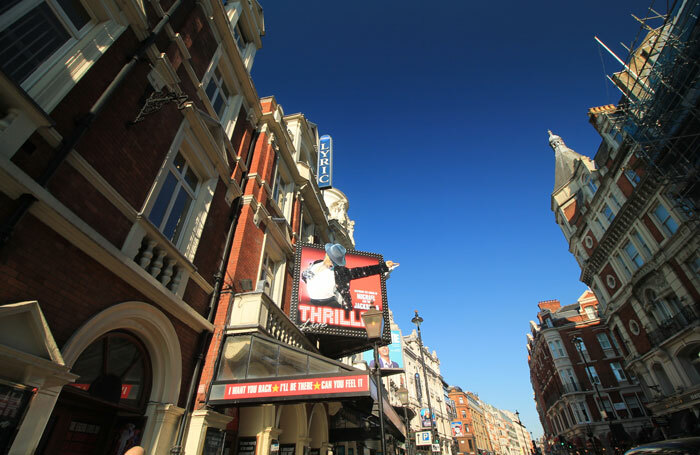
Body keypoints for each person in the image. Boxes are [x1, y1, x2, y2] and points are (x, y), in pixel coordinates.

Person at [301, 243, 398, 313]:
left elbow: (364, 271)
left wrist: (384, 266)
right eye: (332, 259)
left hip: (329, 304)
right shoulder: (316, 263)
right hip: (312, 302)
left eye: (335, 261)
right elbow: (305, 276)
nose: (332, 262)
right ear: (327, 255)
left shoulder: (341, 272)